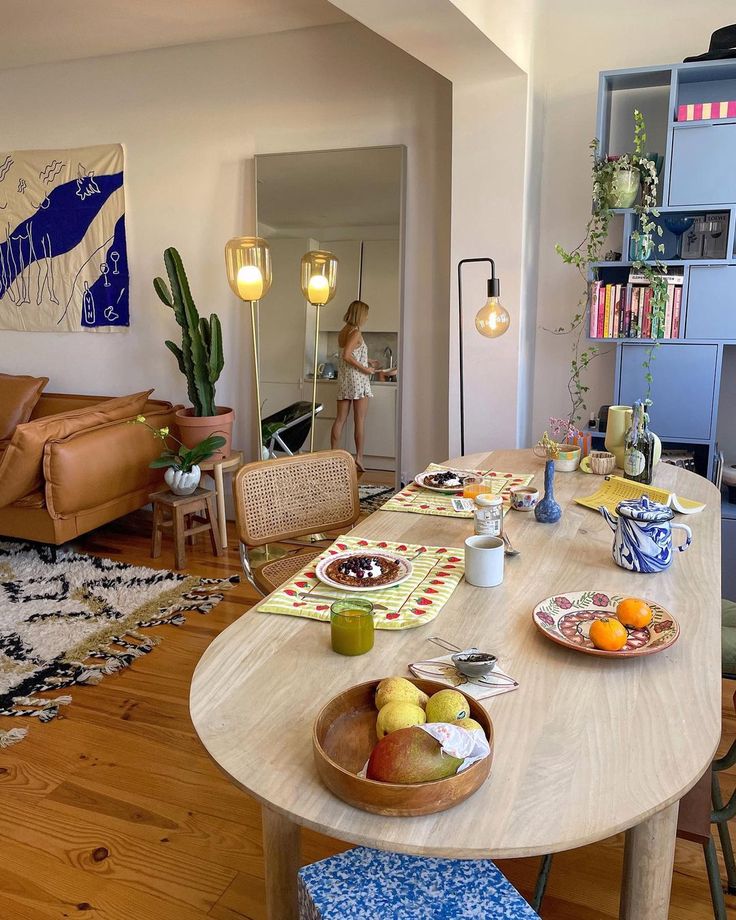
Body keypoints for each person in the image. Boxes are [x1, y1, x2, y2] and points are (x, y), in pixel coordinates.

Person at [331, 300, 376, 472]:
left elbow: (350, 353)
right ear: (360, 314)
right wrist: (367, 369)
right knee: (360, 420)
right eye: (366, 314)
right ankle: (359, 458)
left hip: (344, 381)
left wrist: (367, 359)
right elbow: (347, 355)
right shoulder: (356, 332)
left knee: (340, 419)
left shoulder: (343, 331)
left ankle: (333, 456)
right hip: (358, 381)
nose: (367, 317)